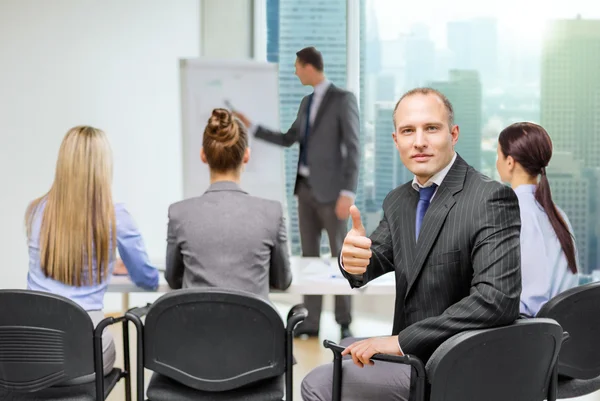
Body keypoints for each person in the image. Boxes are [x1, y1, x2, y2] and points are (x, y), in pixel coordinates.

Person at [301, 88, 522, 400]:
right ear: (396, 141)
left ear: (453, 133)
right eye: (408, 131)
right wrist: (350, 259)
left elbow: (495, 300)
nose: (419, 141)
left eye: (431, 128)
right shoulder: (398, 200)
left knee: (318, 383)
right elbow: (369, 259)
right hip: (413, 361)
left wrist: (400, 341)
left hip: (460, 364)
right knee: (344, 353)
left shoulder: (489, 198)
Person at [233, 46, 360, 339]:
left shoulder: (343, 100)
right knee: (310, 258)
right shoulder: (305, 103)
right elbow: (290, 138)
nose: (294, 72)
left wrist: (347, 192)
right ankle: (312, 322)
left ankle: (344, 322)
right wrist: (253, 128)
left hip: (332, 193)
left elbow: (354, 148)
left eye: (297, 67)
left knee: (342, 257)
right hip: (304, 191)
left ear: (308, 66)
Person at [26, 126, 159, 382]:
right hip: (83, 355)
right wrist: (116, 265)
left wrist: (105, 263)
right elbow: (147, 279)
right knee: (106, 340)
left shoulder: (36, 211)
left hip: (32, 353)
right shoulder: (116, 216)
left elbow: (59, 258)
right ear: (103, 166)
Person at [165, 108, 292, 300]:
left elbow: (173, 280)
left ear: (203, 155)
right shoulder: (272, 213)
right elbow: (282, 281)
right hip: (253, 329)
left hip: (195, 328)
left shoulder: (179, 213)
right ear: (246, 156)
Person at [496, 122, 579, 317]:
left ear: (510, 162)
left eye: (497, 155)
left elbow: (532, 300)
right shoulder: (558, 214)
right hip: (560, 331)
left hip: (530, 334)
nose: (496, 162)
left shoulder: (513, 211)